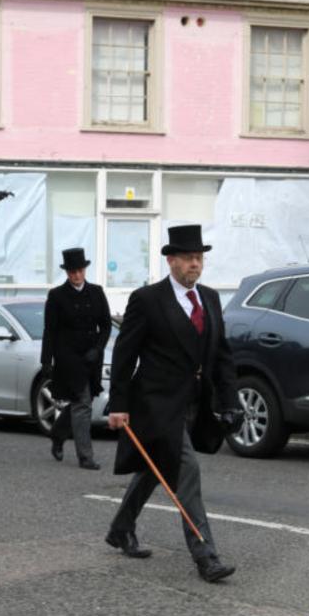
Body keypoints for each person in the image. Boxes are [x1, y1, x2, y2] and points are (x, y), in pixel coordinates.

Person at [104, 224, 242, 583]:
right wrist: (118, 403)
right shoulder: (148, 300)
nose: (196, 264)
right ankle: (205, 555)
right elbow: (124, 353)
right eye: (189, 258)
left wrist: (230, 400)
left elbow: (222, 355)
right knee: (186, 469)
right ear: (171, 261)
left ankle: (121, 528)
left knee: (154, 468)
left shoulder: (209, 298)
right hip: (155, 403)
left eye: (199, 258)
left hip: (194, 404)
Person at [40, 247, 112, 470]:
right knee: (83, 404)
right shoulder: (57, 295)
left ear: (84, 270)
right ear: (67, 272)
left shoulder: (97, 292)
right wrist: (46, 361)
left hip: (91, 356)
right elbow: (49, 330)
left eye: (79, 271)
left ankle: (58, 434)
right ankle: (85, 456)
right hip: (68, 356)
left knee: (83, 401)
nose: (76, 275)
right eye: (72, 272)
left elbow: (107, 325)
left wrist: (98, 349)